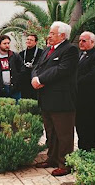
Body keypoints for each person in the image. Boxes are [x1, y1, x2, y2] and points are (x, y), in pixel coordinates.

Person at [31, 21, 78, 177]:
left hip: (62, 100)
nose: (49, 36)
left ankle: (65, 164)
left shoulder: (70, 50)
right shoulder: (47, 50)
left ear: (62, 36)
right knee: (51, 132)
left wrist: (41, 79)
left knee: (64, 134)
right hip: (46, 99)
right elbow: (37, 66)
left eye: (52, 33)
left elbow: (61, 70)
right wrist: (35, 78)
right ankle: (52, 158)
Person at [76, 31, 95, 151]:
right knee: (80, 126)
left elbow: (93, 75)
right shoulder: (79, 55)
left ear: (92, 42)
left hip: (90, 98)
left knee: (91, 126)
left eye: (84, 41)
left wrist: (75, 82)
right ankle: (82, 149)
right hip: (78, 97)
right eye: (80, 40)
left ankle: (93, 151)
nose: (81, 43)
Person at [0, 35, 24, 101]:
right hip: (0, 89)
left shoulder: (15, 56)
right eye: (5, 43)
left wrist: (17, 82)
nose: (7, 45)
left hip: (15, 89)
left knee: (16, 108)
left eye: (8, 43)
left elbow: (22, 69)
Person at [19, 34, 43, 100]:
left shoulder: (41, 53)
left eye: (31, 40)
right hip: (24, 82)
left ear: (36, 42)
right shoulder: (21, 54)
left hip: (35, 81)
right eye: (28, 39)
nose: (29, 41)